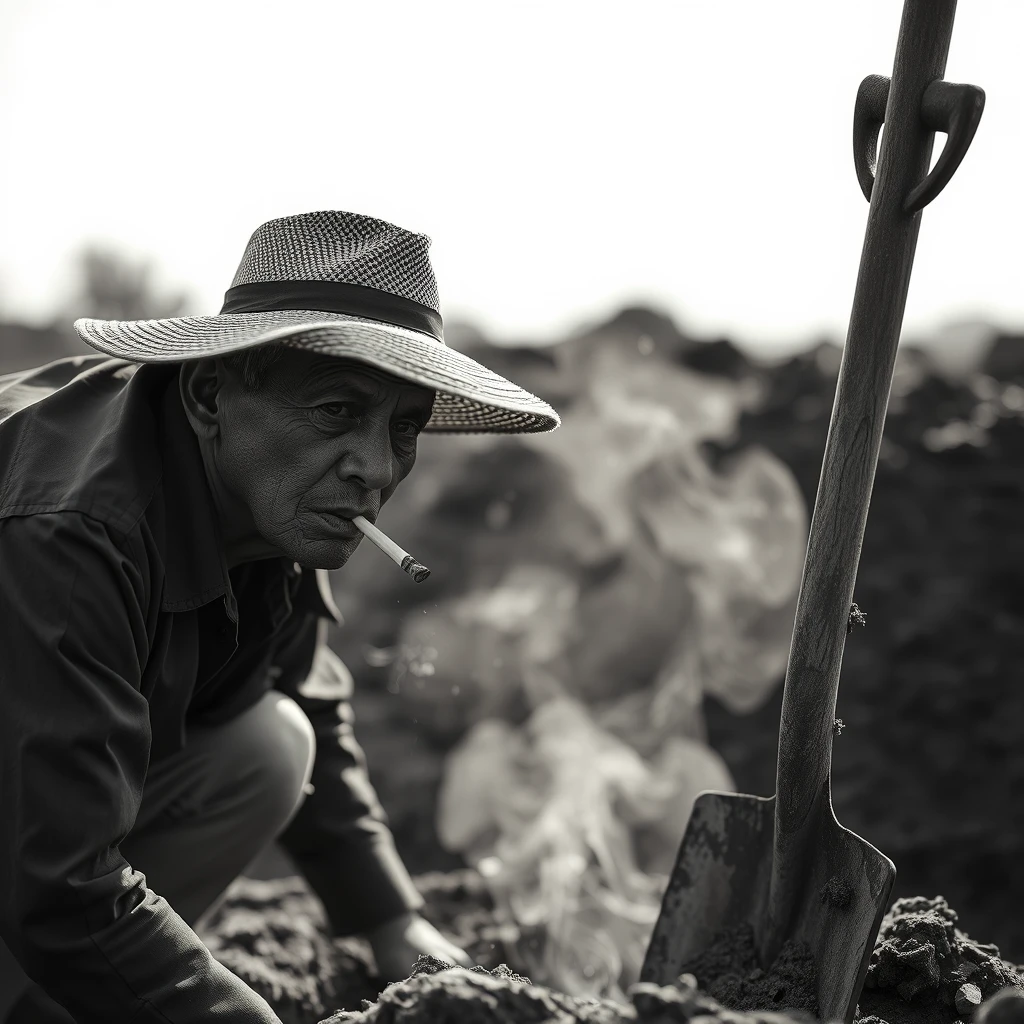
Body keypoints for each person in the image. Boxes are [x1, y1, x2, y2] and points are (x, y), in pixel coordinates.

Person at [0, 210, 560, 1023]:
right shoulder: (73, 533)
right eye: (337, 411)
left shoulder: (270, 498)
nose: (375, 468)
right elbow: (56, 877)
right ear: (209, 393)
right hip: (26, 843)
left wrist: (391, 918)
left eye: (403, 430)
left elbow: (309, 701)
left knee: (274, 742)